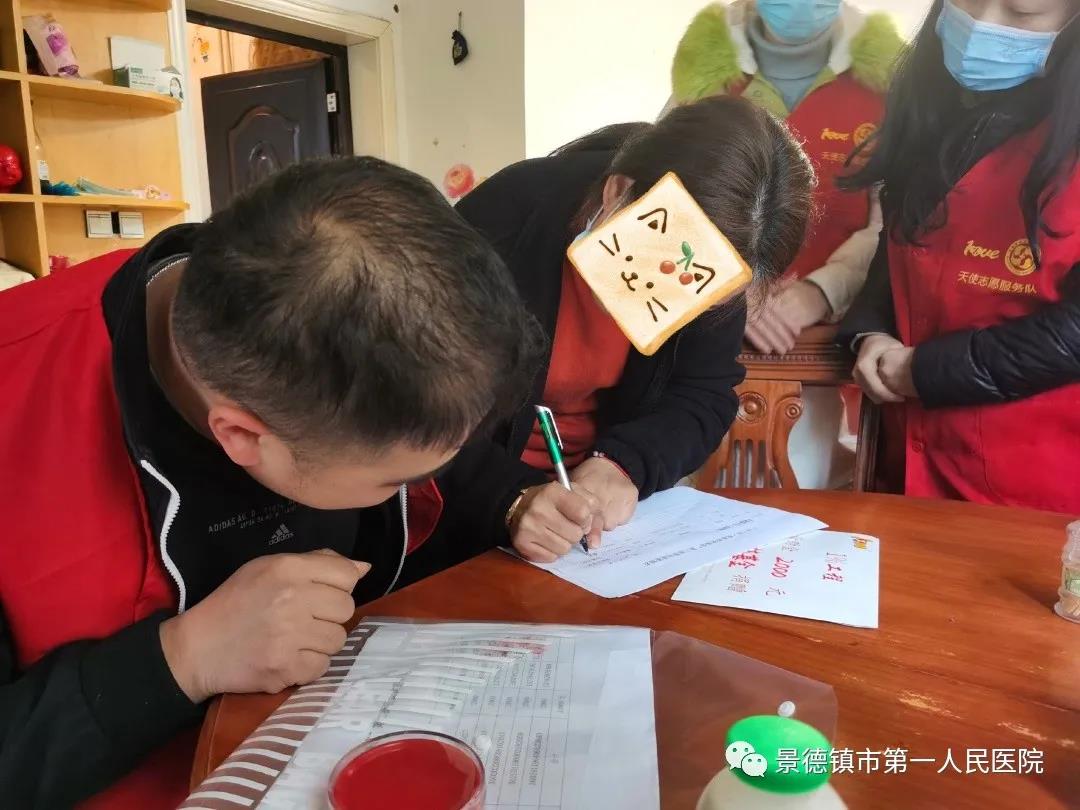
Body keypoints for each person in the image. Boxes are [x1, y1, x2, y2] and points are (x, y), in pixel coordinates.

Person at [0, 157, 543, 808]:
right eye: (406, 477)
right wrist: (182, 659)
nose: (437, 477)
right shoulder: (20, 401)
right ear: (242, 437)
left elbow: (427, 438)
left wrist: (515, 498)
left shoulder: (324, 332)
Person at [436, 95, 815, 565]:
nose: (678, 295)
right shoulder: (507, 218)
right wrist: (510, 498)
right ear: (617, 194)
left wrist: (623, 464)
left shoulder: (721, 255)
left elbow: (703, 394)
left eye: (707, 293)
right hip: (462, 505)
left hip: (596, 528)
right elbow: (414, 397)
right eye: (665, 267)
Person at [839, 0, 1080, 513]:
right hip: (908, 471)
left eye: (1022, 12)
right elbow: (899, 250)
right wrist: (869, 331)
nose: (983, 24)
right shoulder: (931, 111)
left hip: (1033, 496)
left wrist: (926, 371)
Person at [669, 0, 905, 488]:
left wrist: (820, 292)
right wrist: (732, 291)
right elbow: (664, 205)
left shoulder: (890, 84)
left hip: (816, 351)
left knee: (804, 496)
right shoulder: (704, 72)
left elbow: (894, 224)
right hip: (704, 339)